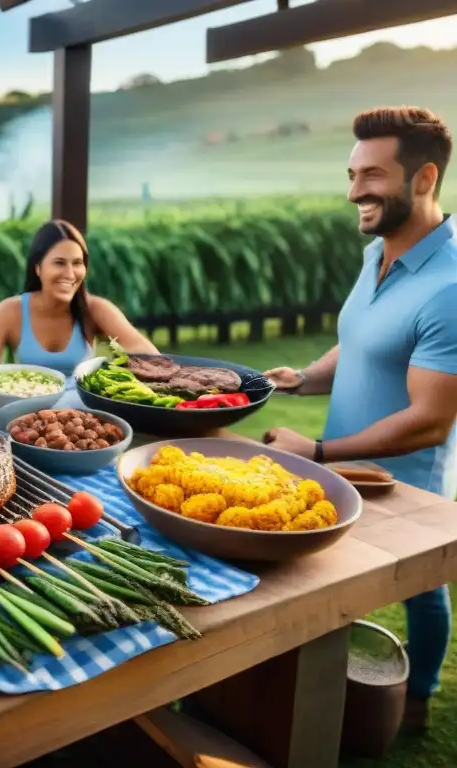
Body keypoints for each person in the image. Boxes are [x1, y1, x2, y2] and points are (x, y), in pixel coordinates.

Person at [263, 107, 457, 731]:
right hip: (343, 467)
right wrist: (306, 378)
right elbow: (364, 336)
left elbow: (429, 421)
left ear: (424, 178)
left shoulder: (451, 287)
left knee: (424, 592)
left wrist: (319, 451)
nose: (353, 192)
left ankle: (419, 699)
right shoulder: (377, 252)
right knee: (329, 585)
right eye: (351, 174)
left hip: (402, 484)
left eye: (372, 174)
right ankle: (321, 702)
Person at [0, 219, 158, 376]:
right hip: (23, 411)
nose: (70, 274)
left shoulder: (95, 309)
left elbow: (151, 357)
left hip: (81, 414)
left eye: (77, 263)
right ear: (38, 268)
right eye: (59, 263)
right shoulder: (9, 312)